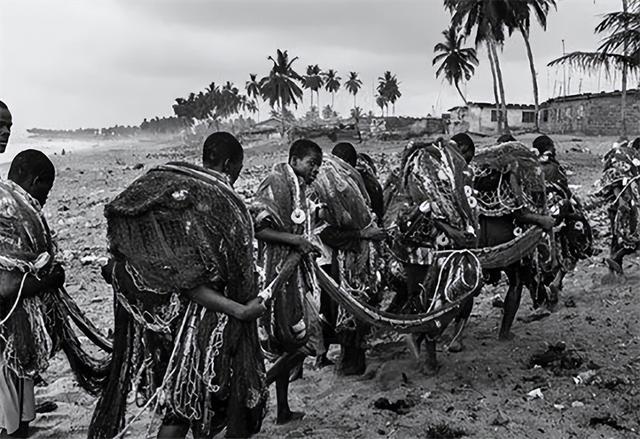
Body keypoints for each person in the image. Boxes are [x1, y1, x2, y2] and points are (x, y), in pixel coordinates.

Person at [89, 132, 268, 439]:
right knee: (191, 401)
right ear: (229, 164)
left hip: (157, 322)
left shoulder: (175, 189)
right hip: (198, 325)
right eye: (236, 169)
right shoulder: (220, 201)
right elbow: (194, 281)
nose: (236, 177)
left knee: (178, 400)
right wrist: (240, 309)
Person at [385, 138, 482, 374]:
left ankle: (420, 343)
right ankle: (425, 353)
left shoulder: (451, 177)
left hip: (439, 250)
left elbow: (460, 209)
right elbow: (423, 212)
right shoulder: (418, 174)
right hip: (418, 250)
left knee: (442, 298)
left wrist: (464, 233)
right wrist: (453, 232)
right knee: (427, 300)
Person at [251, 139, 324, 424]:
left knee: (292, 343)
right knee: (301, 343)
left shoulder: (299, 188)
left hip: (295, 275)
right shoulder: (275, 182)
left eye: (317, 164)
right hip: (276, 274)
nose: (315, 169)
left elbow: (299, 222)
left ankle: (281, 409)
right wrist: (296, 240)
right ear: (295, 160)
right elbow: (258, 227)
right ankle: (258, 391)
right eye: (311, 163)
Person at [312, 143, 387, 374]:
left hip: (346, 258)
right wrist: (365, 235)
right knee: (358, 303)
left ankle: (348, 359)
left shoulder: (336, 186)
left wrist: (361, 234)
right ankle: (351, 357)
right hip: (361, 255)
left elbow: (324, 230)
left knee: (345, 306)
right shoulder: (365, 182)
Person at [531, 135, 592, 304]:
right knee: (570, 246)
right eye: (553, 146)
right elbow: (565, 193)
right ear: (549, 148)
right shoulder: (554, 168)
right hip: (559, 216)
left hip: (537, 218)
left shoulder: (530, 167)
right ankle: (556, 282)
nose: (556, 149)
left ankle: (544, 293)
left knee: (542, 255)